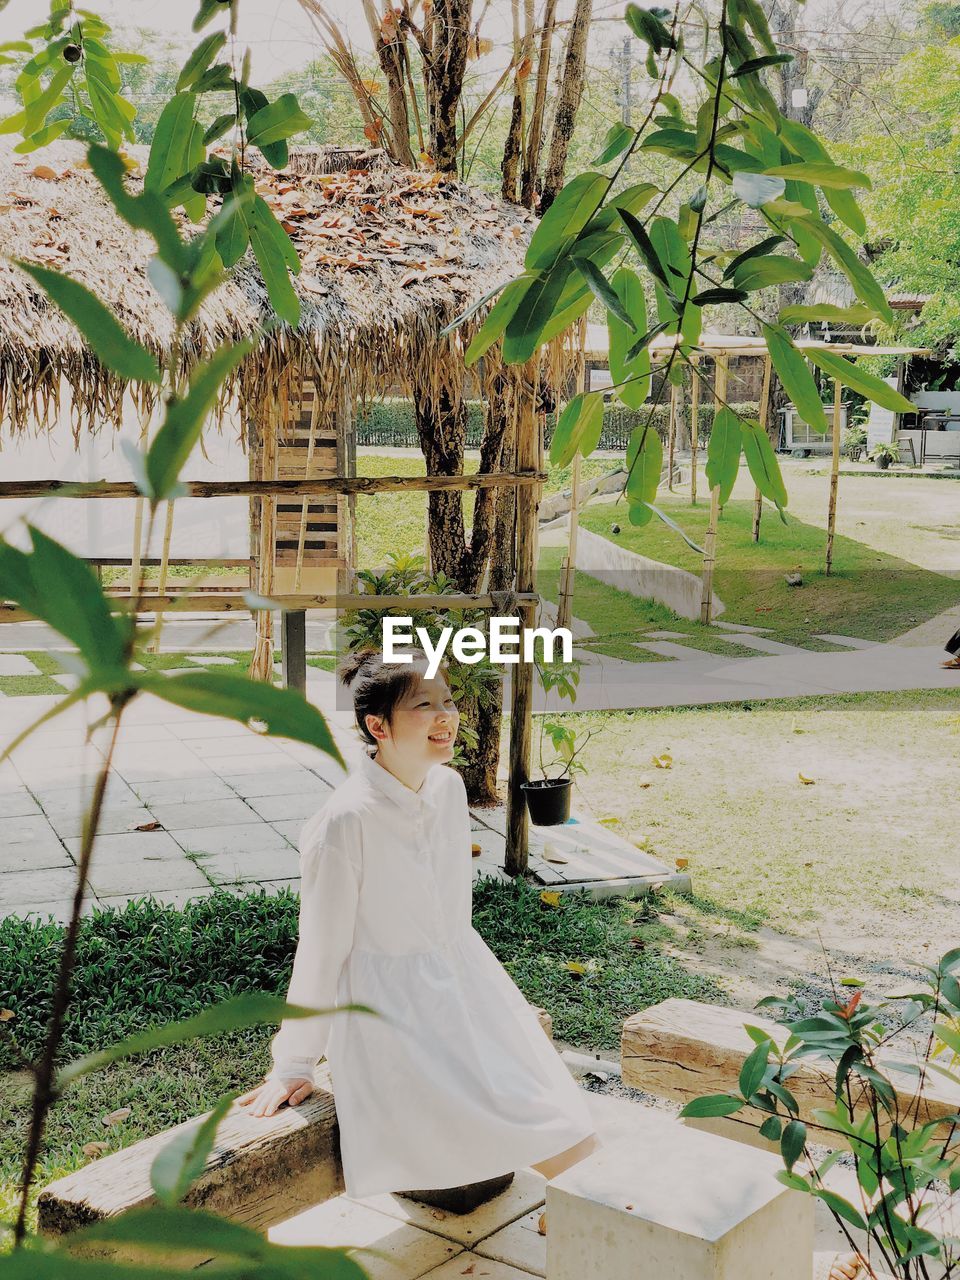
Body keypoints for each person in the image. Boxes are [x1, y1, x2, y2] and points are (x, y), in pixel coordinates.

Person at [238, 645, 601, 1202]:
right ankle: (599, 1211)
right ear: (376, 725)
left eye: (448, 700)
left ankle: (605, 1211)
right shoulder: (344, 822)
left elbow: (450, 918)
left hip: (461, 980)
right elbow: (320, 951)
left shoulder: (448, 788)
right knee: (499, 1114)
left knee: (545, 1106)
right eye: (423, 704)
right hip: (390, 1012)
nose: (445, 716)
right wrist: (293, 1062)